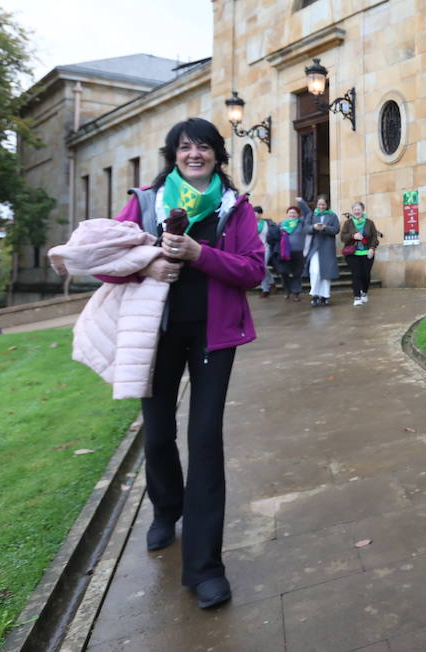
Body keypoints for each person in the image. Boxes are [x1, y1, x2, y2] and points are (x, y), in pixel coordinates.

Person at [105, 117, 265, 610]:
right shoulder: (146, 202)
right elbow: (107, 260)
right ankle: (164, 509)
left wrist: (200, 253)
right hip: (155, 335)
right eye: (185, 147)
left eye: (203, 147)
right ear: (173, 155)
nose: (194, 154)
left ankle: (205, 567)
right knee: (157, 433)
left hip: (212, 336)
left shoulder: (234, 206)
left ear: (218, 154)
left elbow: (254, 269)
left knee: (205, 440)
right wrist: (149, 263)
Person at [299, 195, 340, 306]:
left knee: (326, 273)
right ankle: (315, 295)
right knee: (315, 271)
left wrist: (325, 228)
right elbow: (305, 228)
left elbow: (336, 229)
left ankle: (324, 296)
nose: (321, 207)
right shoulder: (311, 215)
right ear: (316, 204)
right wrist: (313, 227)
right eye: (319, 204)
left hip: (327, 248)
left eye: (323, 204)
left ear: (327, 205)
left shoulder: (332, 216)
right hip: (315, 247)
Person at [339, 202, 381, 306]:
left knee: (365, 275)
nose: (357, 211)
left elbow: (374, 237)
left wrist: (372, 248)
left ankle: (364, 292)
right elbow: (343, 237)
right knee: (356, 274)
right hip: (352, 254)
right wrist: (353, 236)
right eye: (355, 209)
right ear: (352, 211)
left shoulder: (369, 222)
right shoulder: (348, 223)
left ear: (362, 210)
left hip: (367, 253)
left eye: (359, 209)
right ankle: (357, 297)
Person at [275, 205, 307, 302]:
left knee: (297, 273)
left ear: (298, 215)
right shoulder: (281, 224)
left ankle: (296, 293)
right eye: (290, 212)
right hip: (284, 253)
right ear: (287, 214)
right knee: (284, 272)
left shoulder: (301, 223)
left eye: (294, 213)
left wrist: (301, 202)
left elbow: (308, 214)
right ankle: (287, 290)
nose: (292, 214)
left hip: (298, 252)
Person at [254, 205, 279, 297]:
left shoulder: (267, 223)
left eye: (256, 213)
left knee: (262, 266)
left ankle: (265, 289)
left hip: (266, 247)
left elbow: (273, 234)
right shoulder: (250, 223)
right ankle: (270, 284)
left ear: (260, 214)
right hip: (254, 249)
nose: (254, 215)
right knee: (261, 268)